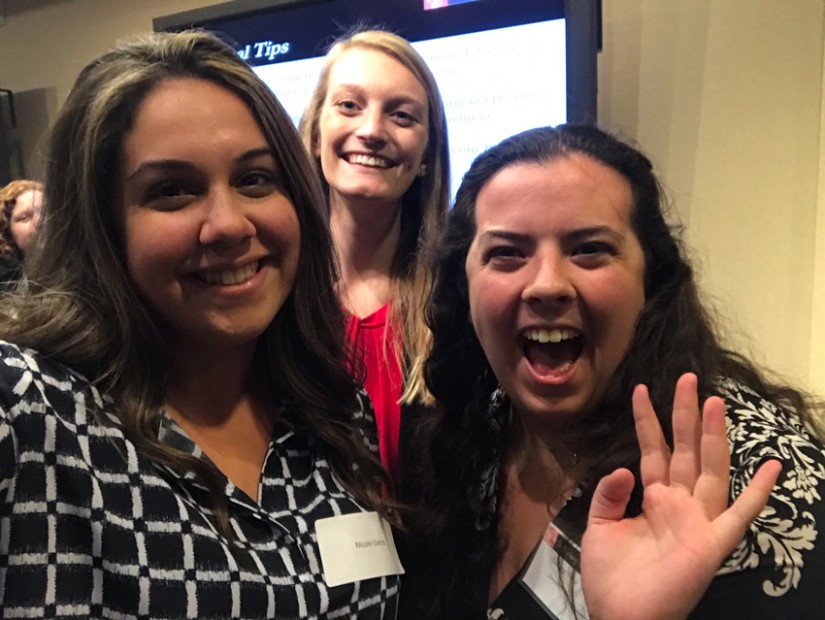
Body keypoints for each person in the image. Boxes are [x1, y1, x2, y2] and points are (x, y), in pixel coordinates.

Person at [0, 31, 403, 617]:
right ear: (102, 226)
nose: (229, 225)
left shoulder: (335, 410)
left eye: (255, 179)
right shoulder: (26, 409)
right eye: (171, 191)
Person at [399, 124, 825, 618]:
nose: (546, 285)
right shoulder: (476, 427)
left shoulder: (756, 481)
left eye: (589, 249)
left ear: (652, 279)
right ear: (463, 287)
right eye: (507, 253)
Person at [299, 30, 450, 482]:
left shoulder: (454, 305)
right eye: (349, 105)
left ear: (425, 156)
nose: (371, 131)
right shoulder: (270, 296)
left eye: (401, 116)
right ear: (314, 133)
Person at [0, 178, 44, 289]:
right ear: (8, 232)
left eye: (45, 212)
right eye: (24, 218)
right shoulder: (6, 291)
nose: (40, 221)